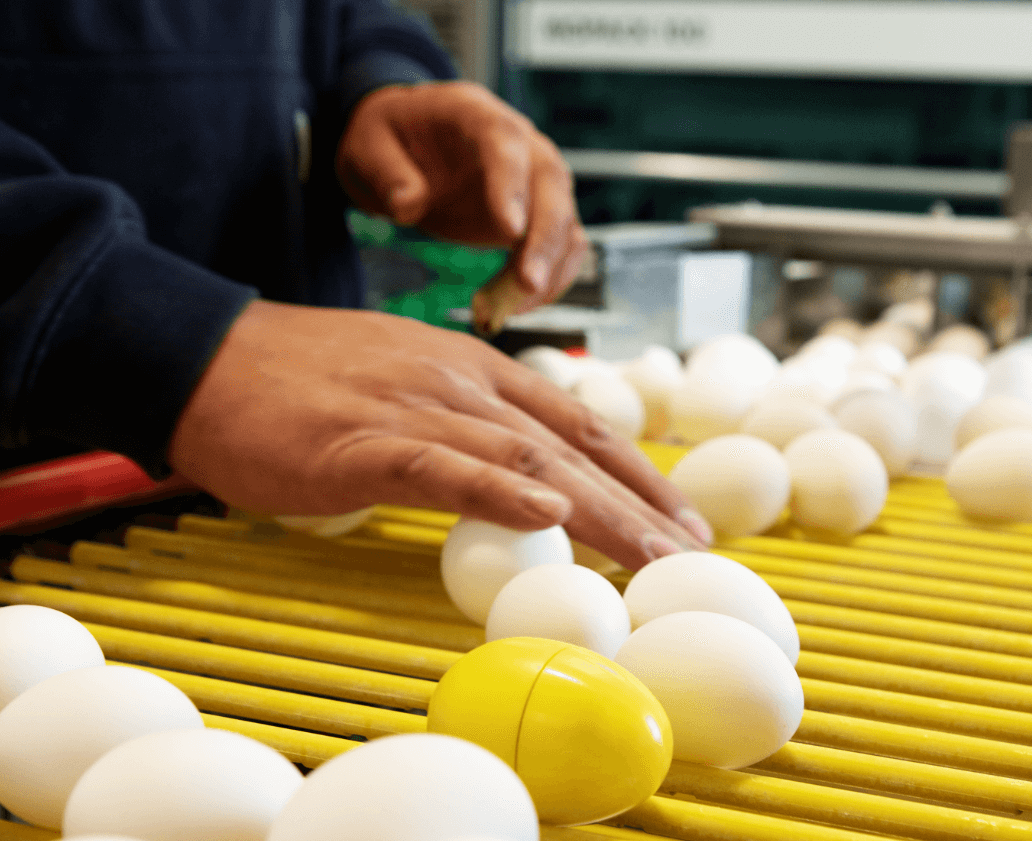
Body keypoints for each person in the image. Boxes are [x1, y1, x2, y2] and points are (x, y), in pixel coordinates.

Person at [0, 1, 712, 565]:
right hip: (38, 495)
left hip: (276, 492)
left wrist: (379, 85)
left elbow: (326, 15)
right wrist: (151, 334)